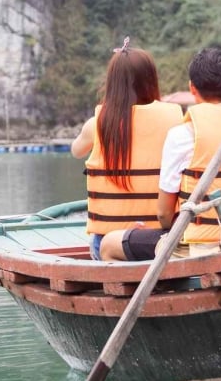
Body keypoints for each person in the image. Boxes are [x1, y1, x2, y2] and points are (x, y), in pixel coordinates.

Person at [99, 48, 221, 261]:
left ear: (192, 88)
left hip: (202, 248)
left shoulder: (183, 134)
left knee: (109, 243)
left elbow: (164, 215)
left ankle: (155, 292)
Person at [71, 39, 183, 260]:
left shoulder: (96, 125)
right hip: (159, 239)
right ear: (151, 81)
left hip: (107, 242)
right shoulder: (175, 122)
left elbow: (76, 151)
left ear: (112, 84)